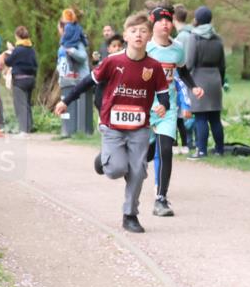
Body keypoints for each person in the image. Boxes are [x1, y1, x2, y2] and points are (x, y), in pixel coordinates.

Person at [55, 13, 170, 233]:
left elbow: (164, 95)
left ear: (149, 37)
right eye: (134, 31)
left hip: (140, 127)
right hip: (112, 126)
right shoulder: (113, 61)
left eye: (143, 31)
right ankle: (105, 160)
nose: (138, 34)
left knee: (138, 171)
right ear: (126, 35)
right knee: (117, 169)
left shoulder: (154, 67)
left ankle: (130, 215)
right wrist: (66, 101)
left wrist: (163, 105)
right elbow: (87, 81)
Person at [144, 4, 202, 217]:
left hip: (167, 108)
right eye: (161, 20)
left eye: (169, 20)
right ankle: (109, 159)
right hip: (144, 106)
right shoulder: (146, 49)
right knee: (137, 152)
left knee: (166, 149)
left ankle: (161, 198)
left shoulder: (177, 48)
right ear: (154, 24)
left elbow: (183, 70)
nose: (166, 24)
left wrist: (193, 86)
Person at [185, 5, 226, 158]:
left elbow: (189, 62)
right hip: (215, 78)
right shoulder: (217, 38)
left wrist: (185, 78)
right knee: (215, 118)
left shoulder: (194, 37)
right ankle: (219, 149)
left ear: (197, 19)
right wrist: (220, 80)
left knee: (201, 117)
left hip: (199, 78)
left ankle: (201, 150)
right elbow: (223, 64)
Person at [56, 13, 93, 137]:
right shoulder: (64, 44)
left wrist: (70, 51)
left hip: (81, 79)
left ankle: (83, 133)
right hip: (67, 80)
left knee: (82, 110)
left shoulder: (77, 43)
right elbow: (61, 61)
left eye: (62, 29)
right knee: (68, 108)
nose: (61, 32)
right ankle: (67, 131)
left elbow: (82, 57)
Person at [0, 26, 38, 134]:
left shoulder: (18, 49)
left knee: (20, 105)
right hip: (31, 79)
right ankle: (29, 127)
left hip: (20, 80)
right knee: (27, 104)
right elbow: (36, 64)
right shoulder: (31, 49)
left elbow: (8, 62)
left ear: (17, 36)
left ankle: (23, 130)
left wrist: (11, 50)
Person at [94, 33, 124, 113]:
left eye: (120, 46)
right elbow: (99, 93)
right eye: (114, 46)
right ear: (108, 49)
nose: (117, 48)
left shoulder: (127, 65)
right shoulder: (105, 65)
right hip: (105, 109)